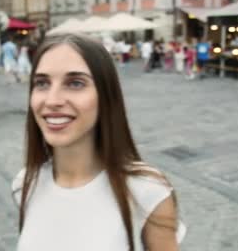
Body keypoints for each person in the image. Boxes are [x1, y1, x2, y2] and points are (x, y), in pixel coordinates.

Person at [11, 34, 186, 251]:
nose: (52, 100)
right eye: (42, 83)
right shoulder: (26, 184)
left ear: (106, 95)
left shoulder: (147, 192)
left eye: (75, 83)